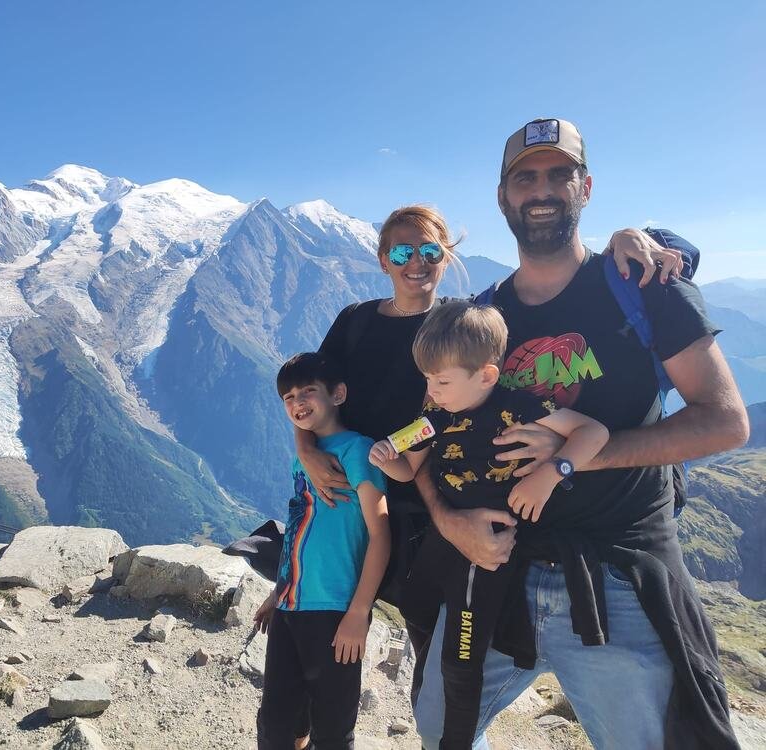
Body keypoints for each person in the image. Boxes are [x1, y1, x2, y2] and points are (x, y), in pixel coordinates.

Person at [411, 118, 749, 749]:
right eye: (524, 178)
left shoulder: (642, 286)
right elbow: (432, 437)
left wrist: (576, 457)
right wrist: (448, 521)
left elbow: (726, 420)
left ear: (585, 188)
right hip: (498, 570)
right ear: (502, 197)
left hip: (617, 575)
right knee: (439, 729)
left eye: (558, 174)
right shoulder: (480, 319)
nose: (541, 190)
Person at [369, 301, 608, 749]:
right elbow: (407, 468)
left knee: (463, 653)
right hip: (444, 537)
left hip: (490, 548)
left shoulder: (520, 408)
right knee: (416, 605)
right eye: (427, 379)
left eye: (441, 381)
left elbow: (594, 432)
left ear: (486, 375)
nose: (431, 390)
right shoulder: (432, 418)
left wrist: (551, 473)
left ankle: (456, 738)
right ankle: (432, 709)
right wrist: (386, 459)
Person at [255, 351, 391, 750]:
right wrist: (277, 592)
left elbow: (381, 535)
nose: (297, 402)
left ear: (338, 394)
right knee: (276, 721)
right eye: (288, 397)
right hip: (290, 607)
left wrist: (359, 613)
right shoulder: (305, 457)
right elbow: (300, 529)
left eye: (307, 391)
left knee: (332, 728)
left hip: (335, 610)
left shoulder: (358, 451)